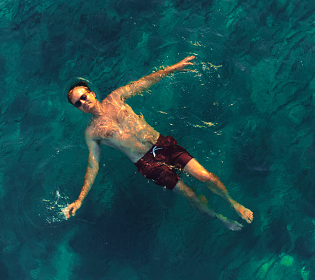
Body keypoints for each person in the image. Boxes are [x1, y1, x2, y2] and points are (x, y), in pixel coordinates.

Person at [63, 56, 253, 230]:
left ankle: (233, 203)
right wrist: (80, 199)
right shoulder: (92, 133)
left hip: (162, 145)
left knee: (207, 177)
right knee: (191, 195)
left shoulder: (115, 97)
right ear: (77, 109)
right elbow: (93, 164)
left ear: (92, 93)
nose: (83, 102)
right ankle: (220, 217)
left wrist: (173, 68)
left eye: (83, 97)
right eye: (77, 104)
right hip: (148, 164)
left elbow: (144, 82)